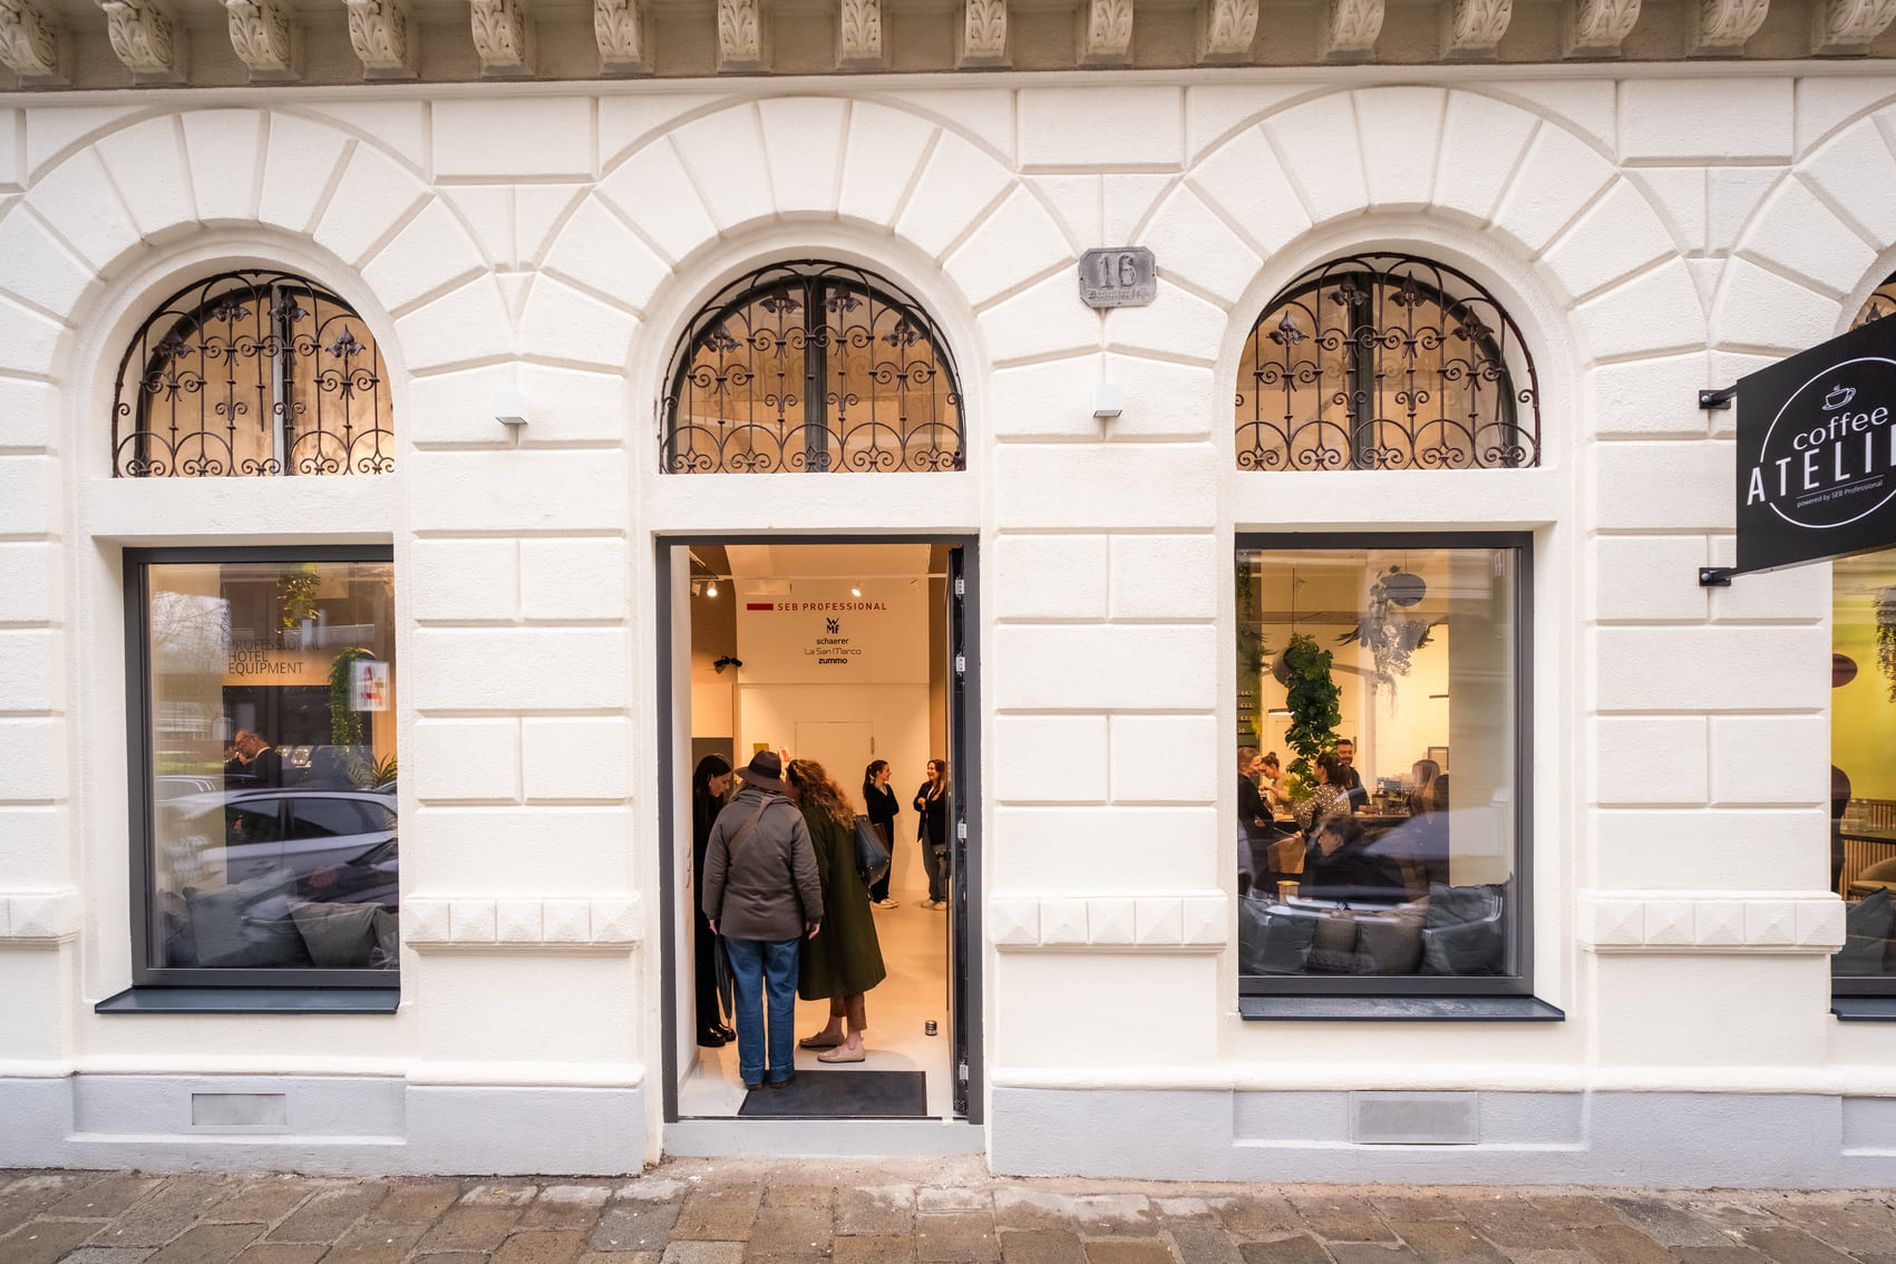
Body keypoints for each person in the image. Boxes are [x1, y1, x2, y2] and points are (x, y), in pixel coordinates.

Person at [701, 751, 823, 1091]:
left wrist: (712, 912)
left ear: (747, 779)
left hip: (738, 924)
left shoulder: (728, 815)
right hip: (784, 924)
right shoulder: (792, 818)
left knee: (747, 996)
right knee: (782, 995)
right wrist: (814, 914)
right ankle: (782, 1070)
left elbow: (713, 874)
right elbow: (807, 874)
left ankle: (753, 1072)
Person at [788, 759, 888, 1063]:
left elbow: (817, 870)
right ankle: (834, 1029)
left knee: (849, 972)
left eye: (788, 782)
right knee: (842, 968)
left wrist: (811, 910)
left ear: (799, 784)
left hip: (835, 906)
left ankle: (854, 1041)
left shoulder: (811, 815)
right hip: (851, 900)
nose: (786, 788)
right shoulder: (837, 808)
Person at [690, 753, 736, 1048]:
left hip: (712, 895)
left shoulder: (715, 806)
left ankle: (712, 1018)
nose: (726, 787)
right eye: (723, 781)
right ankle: (702, 1023)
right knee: (704, 962)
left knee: (712, 961)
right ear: (709, 779)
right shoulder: (695, 808)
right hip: (700, 896)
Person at [1304, 814, 1405, 906]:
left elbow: (1323, 913)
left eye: (1323, 835)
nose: (1319, 841)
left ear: (1336, 839)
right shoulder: (1385, 859)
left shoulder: (1329, 868)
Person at [861, 760, 899, 910]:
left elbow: (895, 808)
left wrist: (886, 806)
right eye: (887, 770)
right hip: (878, 828)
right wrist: (887, 806)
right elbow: (876, 811)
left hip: (889, 827)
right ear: (878, 773)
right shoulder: (870, 789)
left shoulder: (887, 788)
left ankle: (885, 893)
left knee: (889, 858)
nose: (889, 773)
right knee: (880, 860)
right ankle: (877, 896)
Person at [913, 758, 950, 909]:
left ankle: (944, 897)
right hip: (926, 830)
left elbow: (941, 805)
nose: (929, 771)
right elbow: (915, 803)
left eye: (932, 769)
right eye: (928, 768)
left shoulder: (946, 787)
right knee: (929, 865)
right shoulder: (925, 786)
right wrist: (924, 804)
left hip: (940, 832)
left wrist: (925, 804)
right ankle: (933, 895)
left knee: (943, 865)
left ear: (940, 771)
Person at [1237, 746, 1273, 885]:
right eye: (1256, 764)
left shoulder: (1235, 782)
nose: (1259, 768)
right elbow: (1262, 812)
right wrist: (1267, 821)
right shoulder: (1245, 784)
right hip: (1248, 834)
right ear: (1244, 765)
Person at [1292, 752, 1352, 835]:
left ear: (1322, 768)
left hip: (1323, 839)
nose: (1313, 767)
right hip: (1341, 838)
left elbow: (1300, 812)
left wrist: (1307, 828)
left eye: (1315, 765)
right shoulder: (1343, 790)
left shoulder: (1320, 791)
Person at [1333, 739, 1367, 813]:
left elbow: (1363, 797)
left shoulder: (1354, 773)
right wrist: (1358, 807)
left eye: (1350, 752)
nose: (1347, 755)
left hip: (1352, 820)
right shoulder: (1330, 775)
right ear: (1334, 755)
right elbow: (1333, 803)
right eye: (1343, 752)